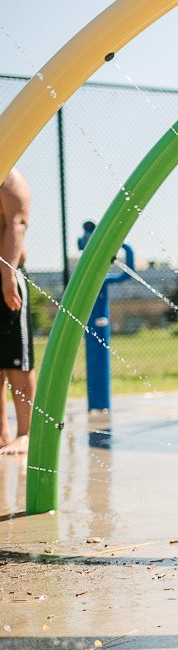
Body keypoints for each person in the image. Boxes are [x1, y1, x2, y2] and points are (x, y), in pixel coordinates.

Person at [0, 168, 36, 455]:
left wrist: (7, 272)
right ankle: (2, 433)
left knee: (16, 359)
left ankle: (26, 433)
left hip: (6, 276)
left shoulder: (9, 177)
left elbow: (17, 224)